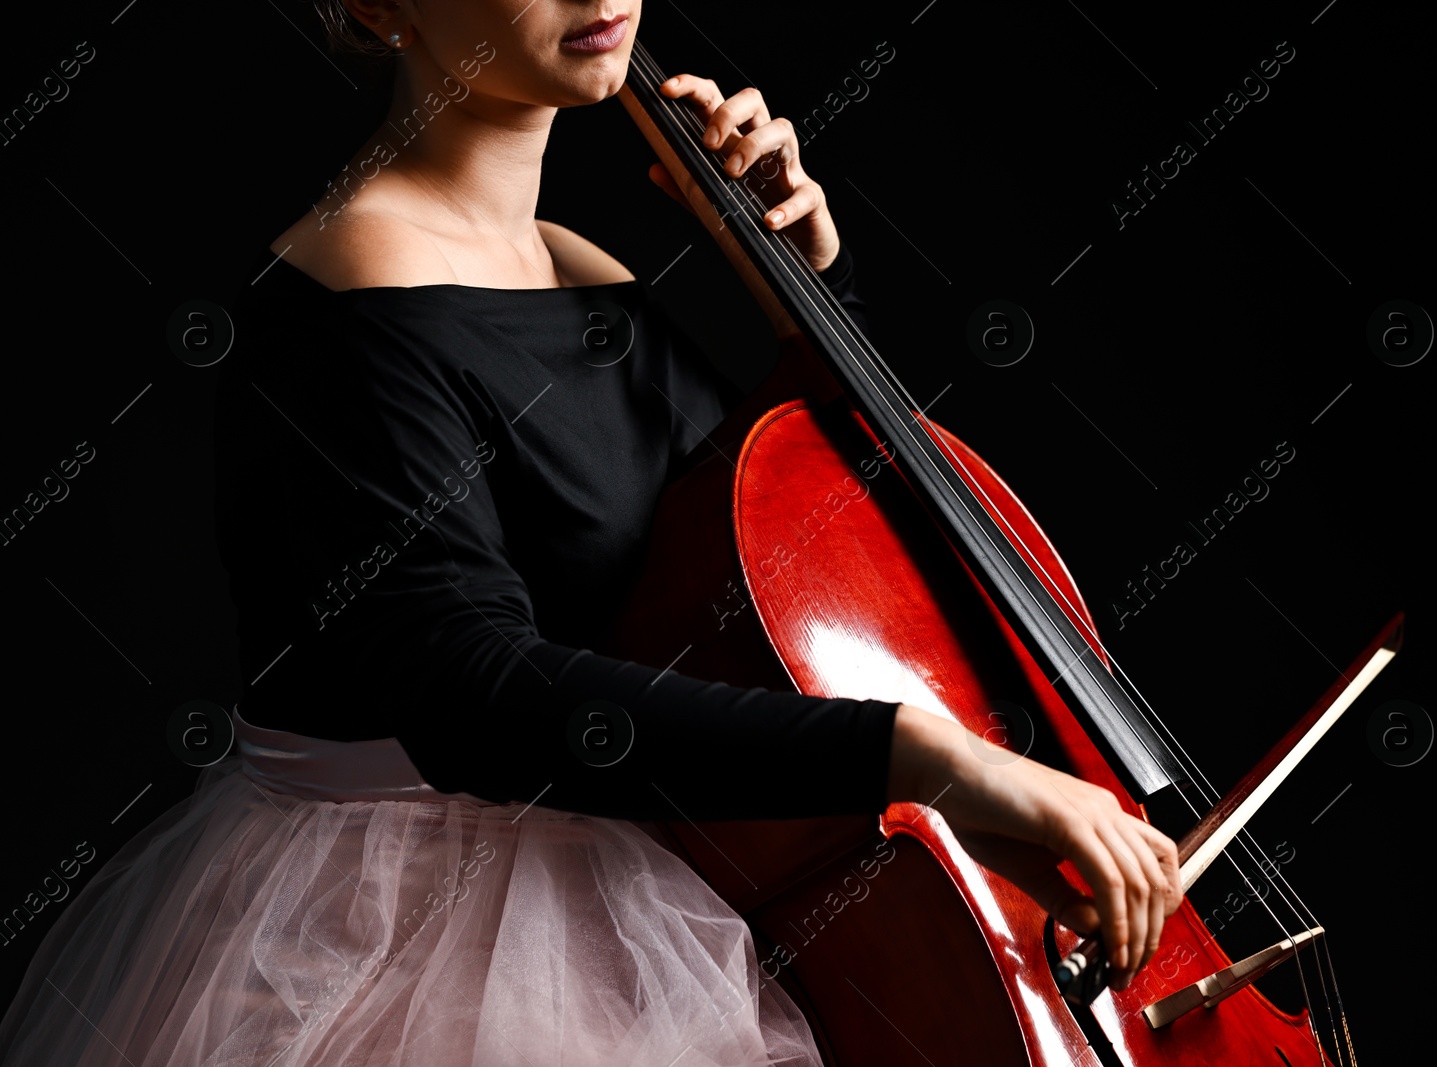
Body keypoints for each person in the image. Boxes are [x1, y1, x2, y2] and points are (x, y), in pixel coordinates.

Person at [0, 2, 1181, 1063]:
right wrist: (929, 757)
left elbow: (767, 561)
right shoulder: (347, 307)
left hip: (628, 870)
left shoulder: (575, 269)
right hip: (415, 928)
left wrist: (804, 292)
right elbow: (480, 696)